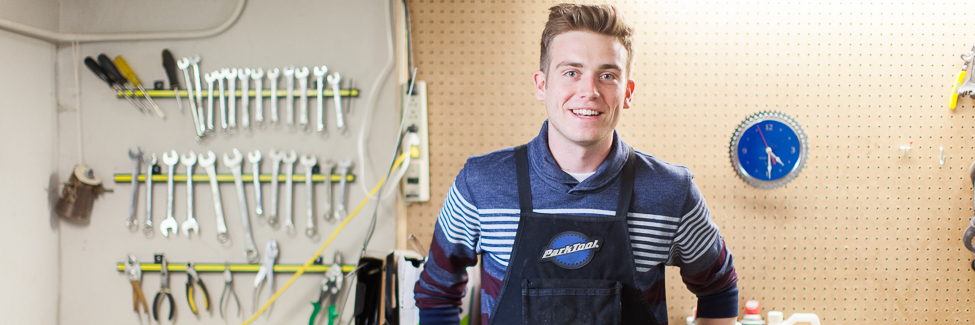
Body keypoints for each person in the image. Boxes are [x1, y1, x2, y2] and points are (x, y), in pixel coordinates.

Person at [414, 3, 738, 325]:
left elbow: (719, 289)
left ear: (628, 92)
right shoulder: (480, 185)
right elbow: (436, 294)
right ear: (542, 85)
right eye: (572, 72)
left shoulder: (671, 192)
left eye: (607, 75)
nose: (590, 91)